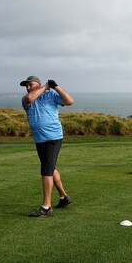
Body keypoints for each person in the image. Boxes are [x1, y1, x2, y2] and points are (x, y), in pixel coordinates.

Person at [20, 75, 75, 217]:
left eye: (30, 85)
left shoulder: (52, 95)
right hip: (40, 139)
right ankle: (64, 197)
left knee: (46, 171)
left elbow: (69, 101)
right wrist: (45, 86)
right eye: (26, 86)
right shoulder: (26, 99)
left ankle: (46, 207)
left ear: (37, 84)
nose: (27, 88)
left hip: (53, 137)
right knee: (50, 167)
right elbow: (29, 99)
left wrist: (55, 86)